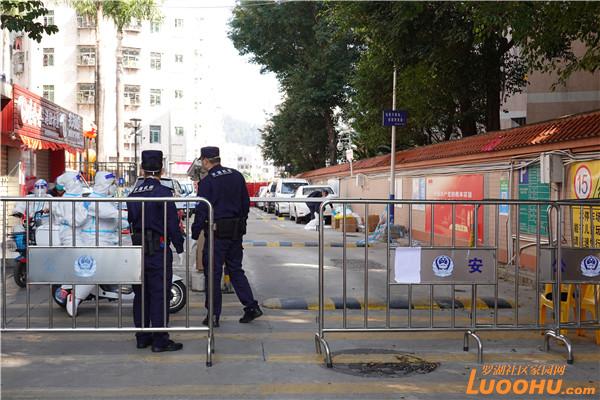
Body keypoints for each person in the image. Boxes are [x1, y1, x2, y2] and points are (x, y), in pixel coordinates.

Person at [191, 146, 262, 327]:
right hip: (235, 232)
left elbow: (202, 209)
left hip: (217, 235)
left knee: (213, 274)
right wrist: (240, 224)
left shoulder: (207, 182)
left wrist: (195, 231)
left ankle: (213, 315)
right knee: (236, 270)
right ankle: (251, 307)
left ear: (206, 161)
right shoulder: (237, 175)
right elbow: (245, 204)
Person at [127, 150, 185, 352]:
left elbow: (131, 221)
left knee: (140, 294)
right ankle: (160, 340)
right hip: (158, 249)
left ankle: (142, 337)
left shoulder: (133, 193)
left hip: (138, 249)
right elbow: (172, 223)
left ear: (142, 169)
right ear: (162, 169)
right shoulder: (164, 192)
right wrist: (179, 246)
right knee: (159, 294)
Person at [65, 171, 122, 317]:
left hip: (106, 242)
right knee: (95, 272)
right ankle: (74, 297)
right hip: (95, 243)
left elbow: (115, 218)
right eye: (112, 184)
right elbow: (110, 213)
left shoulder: (106, 200)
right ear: (104, 184)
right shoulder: (94, 200)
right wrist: (130, 214)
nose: (114, 187)